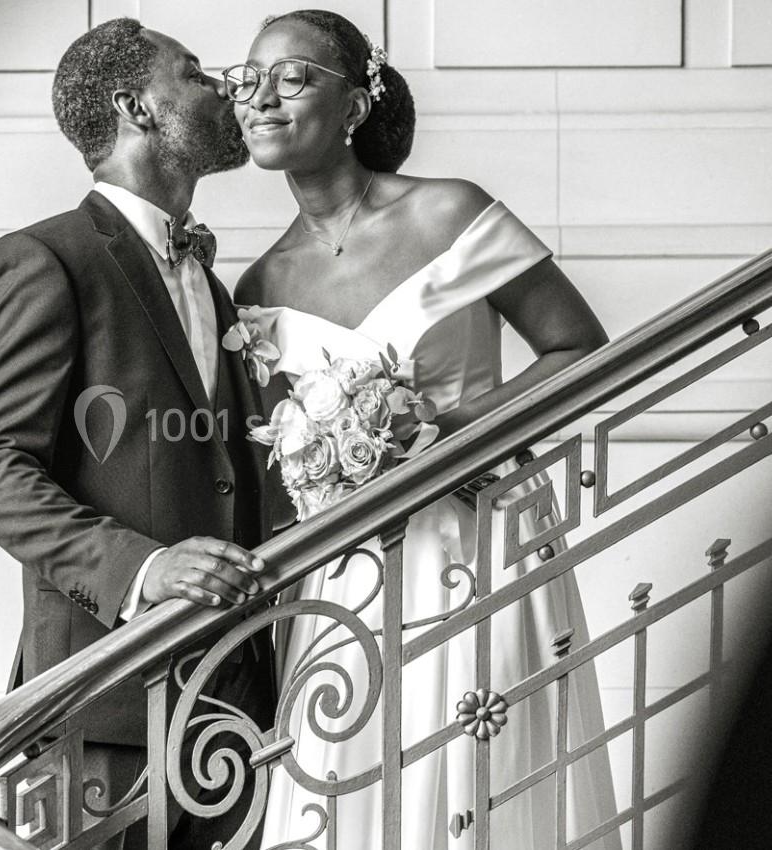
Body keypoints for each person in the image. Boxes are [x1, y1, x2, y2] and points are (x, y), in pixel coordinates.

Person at [229, 10, 621, 850]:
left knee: (485, 776)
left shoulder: (451, 212)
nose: (260, 97)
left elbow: (579, 348)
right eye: (246, 80)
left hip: (483, 535)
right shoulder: (258, 285)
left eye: (290, 77)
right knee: (351, 788)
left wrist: (443, 435)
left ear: (354, 105)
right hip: (348, 575)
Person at [0, 18, 276, 850]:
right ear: (137, 106)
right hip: (105, 709)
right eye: (194, 73)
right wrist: (145, 568)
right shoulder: (44, 259)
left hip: (235, 707)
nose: (224, 88)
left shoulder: (214, 284)